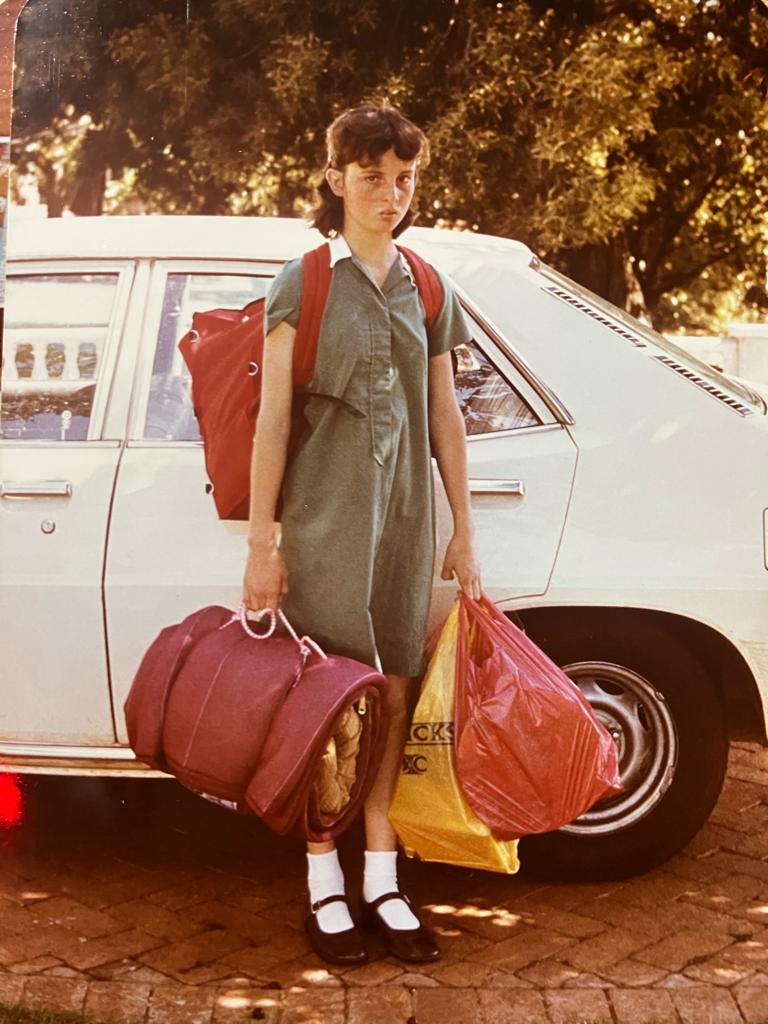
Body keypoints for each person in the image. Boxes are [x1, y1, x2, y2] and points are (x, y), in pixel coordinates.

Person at [242, 103, 481, 967]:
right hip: (326, 516)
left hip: (408, 517)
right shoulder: (301, 281)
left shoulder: (427, 283)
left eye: (405, 178)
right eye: (374, 176)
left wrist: (463, 530)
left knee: (397, 695)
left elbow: (445, 415)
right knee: (332, 703)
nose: (392, 193)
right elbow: (272, 424)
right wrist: (263, 544)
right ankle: (323, 883)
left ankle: (383, 876)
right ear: (336, 178)